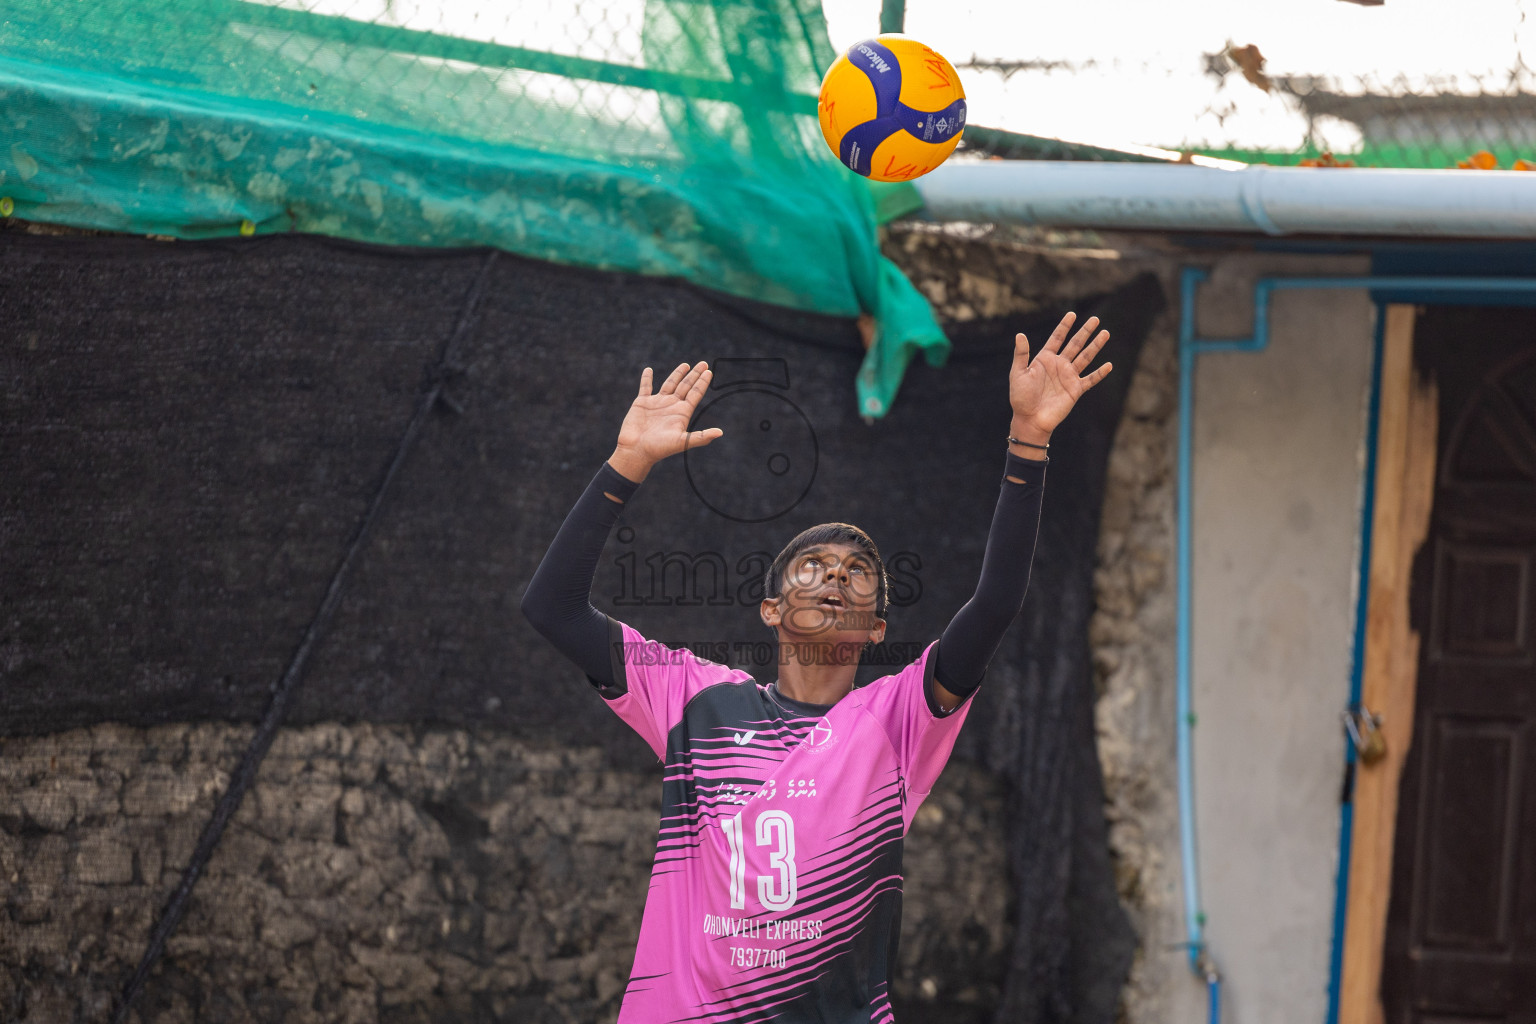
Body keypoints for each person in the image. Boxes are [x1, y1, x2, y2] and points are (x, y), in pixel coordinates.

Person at [522, 312, 1113, 1023]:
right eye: (813, 565)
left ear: (877, 628)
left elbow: (994, 604)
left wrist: (1030, 441)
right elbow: (552, 608)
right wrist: (627, 465)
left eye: (859, 573)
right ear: (771, 611)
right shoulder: (694, 698)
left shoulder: (897, 721)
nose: (836, 576)